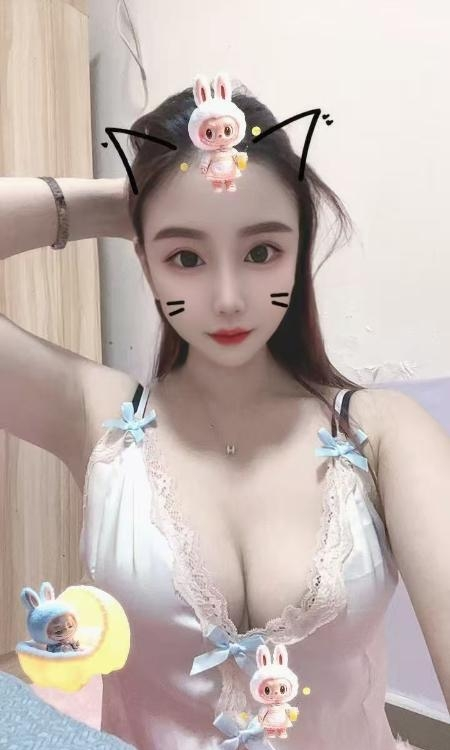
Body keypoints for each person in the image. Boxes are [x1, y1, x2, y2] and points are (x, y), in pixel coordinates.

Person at [0, 77, 421, 750]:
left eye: (261, 251)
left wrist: (173, 219)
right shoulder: (98, 419)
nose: (228, 298)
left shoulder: (385, 434)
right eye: (186, 257)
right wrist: (123, 204)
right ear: (146, 262)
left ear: (299, 250)